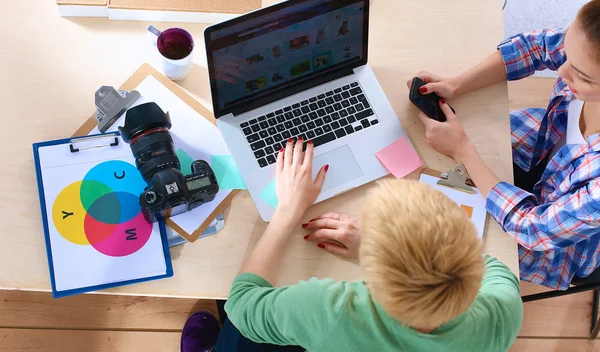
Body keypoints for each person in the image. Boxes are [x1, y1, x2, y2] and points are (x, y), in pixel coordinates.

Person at [180, 137, 522, 352]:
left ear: (374, 280)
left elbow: (242, 305)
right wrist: (394, 258)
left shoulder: (331, 312)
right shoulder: (500, 316)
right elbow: (496, 268)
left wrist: (286, 211)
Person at [407, 0, 600, 291]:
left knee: (429, 250)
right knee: (433, 158)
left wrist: (463, 152)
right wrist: (455, 85)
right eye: (567, 55)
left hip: (554, 241)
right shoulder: (589, 44)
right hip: (543, 147)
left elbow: (534, 229)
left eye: (581, 76)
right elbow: (535, 47)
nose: (561, 72)